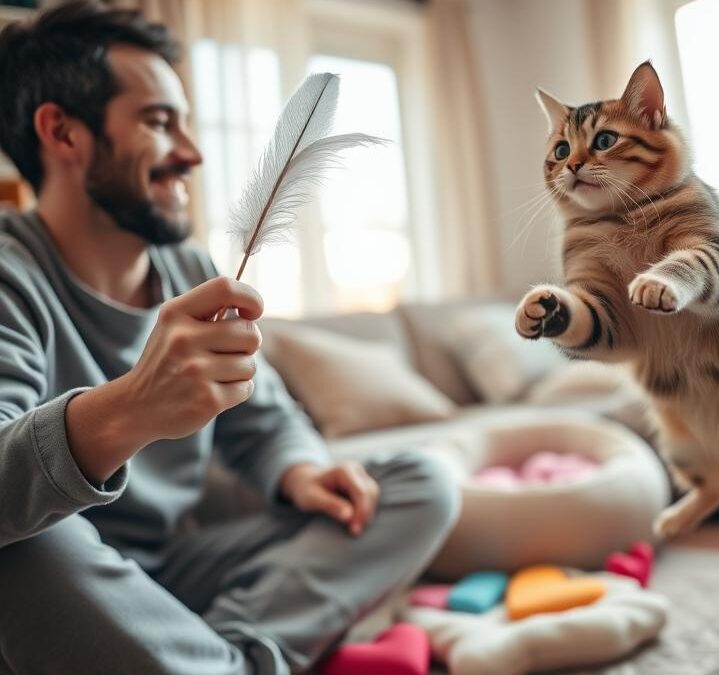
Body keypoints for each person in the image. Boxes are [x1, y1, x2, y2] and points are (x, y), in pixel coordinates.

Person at [0, 2, 459, 673]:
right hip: (63, 572)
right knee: (19, 545)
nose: (193, 152)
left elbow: (263, 418)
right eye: (159, 122)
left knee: (423, 484)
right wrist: (130, 406)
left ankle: (213, 658)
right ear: (62, 132)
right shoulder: (11, 275)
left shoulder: (189, 270)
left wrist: (301, 468)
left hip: (176, 566)